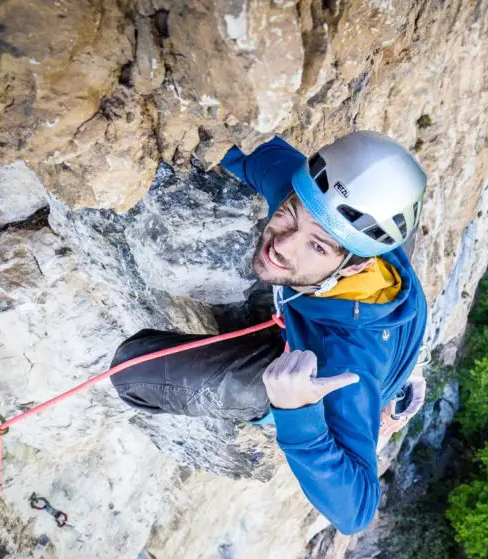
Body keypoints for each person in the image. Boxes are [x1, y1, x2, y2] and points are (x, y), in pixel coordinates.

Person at [109, 132, 430, 534]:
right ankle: (392, 388)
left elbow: (357, 512)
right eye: (291, 213)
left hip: (324, 371)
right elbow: (238, 144)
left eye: (317, 247)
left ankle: (384, 402)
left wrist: (299, 413)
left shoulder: (343, 364)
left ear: (352, 267)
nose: (282, 244)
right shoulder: (318, 205)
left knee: (133, 372)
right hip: (366, 327)